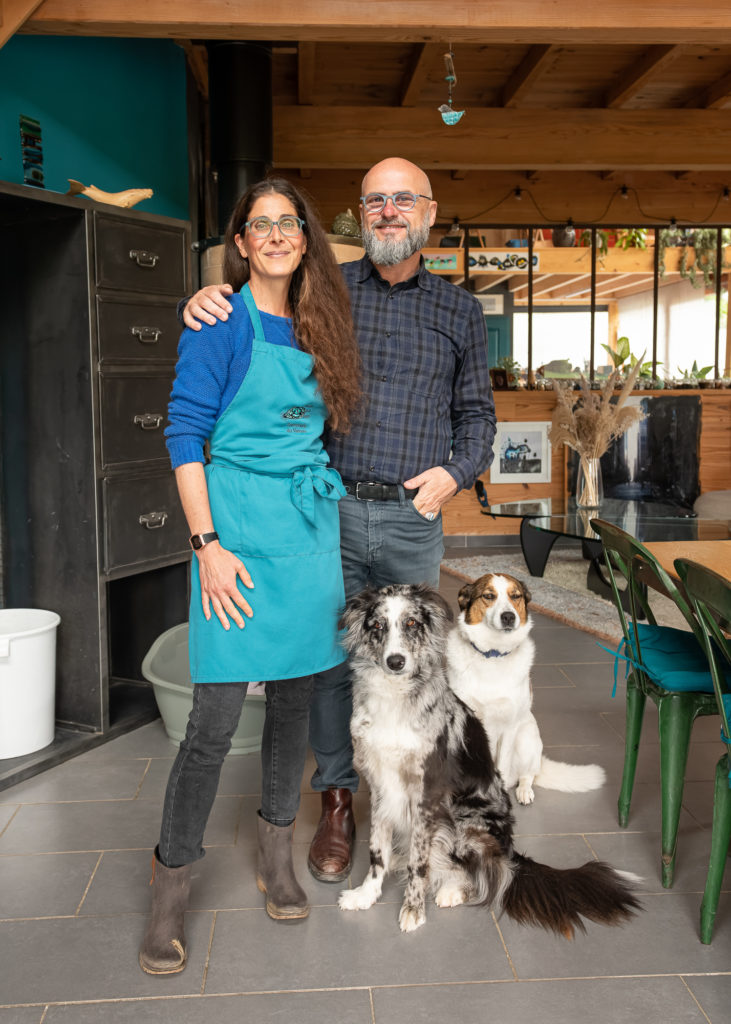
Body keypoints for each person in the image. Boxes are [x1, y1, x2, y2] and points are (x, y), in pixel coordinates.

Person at [181, 157, 497, 886]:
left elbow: (477, 417)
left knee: (413, 663)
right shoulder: (325, 293)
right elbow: (247, 310)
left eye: (402, 200)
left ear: (428, 211)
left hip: (412, 518)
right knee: (327, 666)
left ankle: (421, 797)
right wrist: (199, 301)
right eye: (374, 201)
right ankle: (335, 802)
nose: (388, 211)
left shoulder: (459, 312)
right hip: (323, 515)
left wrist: (455, 472)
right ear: (360, 214)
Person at [139, 177, 361, 976]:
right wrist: (206, 544)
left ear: (305, 237)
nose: (274, 234)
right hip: (231, 533)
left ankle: (276, 860)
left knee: (296, 704)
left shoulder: (321, 322)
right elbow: (185, 436)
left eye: (287, 222)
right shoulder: (219, 320)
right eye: (257, 224)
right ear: (238, 243)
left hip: (304, 532)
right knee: (213, 723)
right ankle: (168, 894)